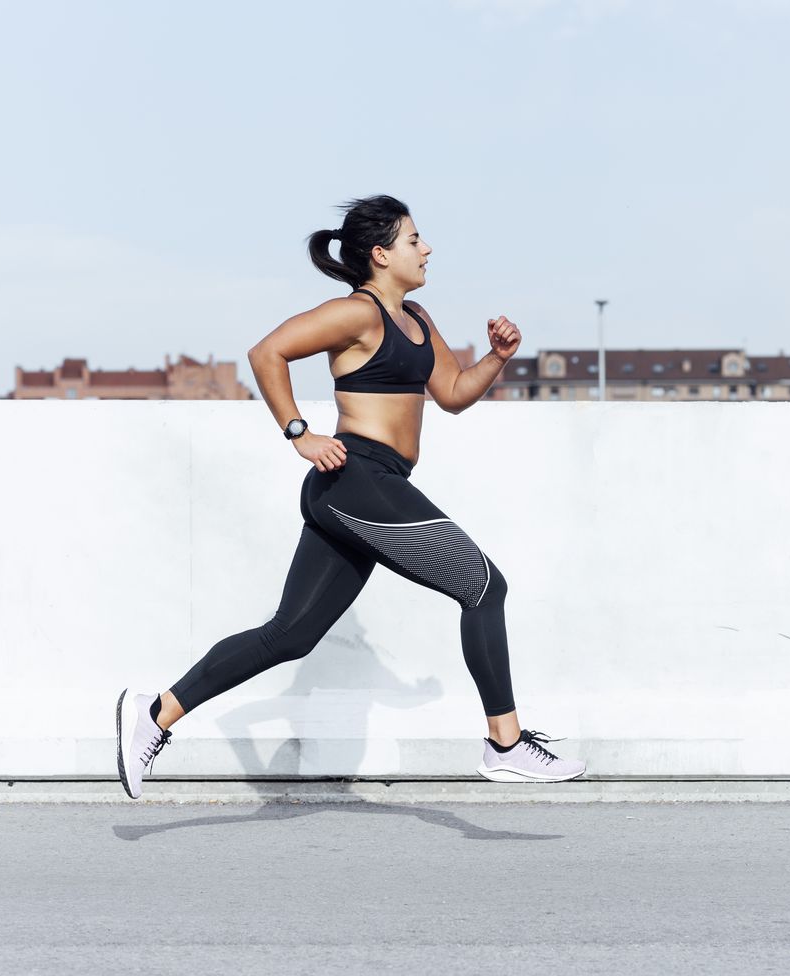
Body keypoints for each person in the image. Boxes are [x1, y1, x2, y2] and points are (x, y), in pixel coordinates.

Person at [116, 194, 586, 798]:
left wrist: (496, 358)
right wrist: (299, 433)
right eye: (415, 239)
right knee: (483, 585)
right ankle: (506, 744)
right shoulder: (357, 314)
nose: (427, 248)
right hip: (355, 477)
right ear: (381, 253)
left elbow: (452, 392)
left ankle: (153, 714)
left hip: (369, 487)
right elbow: (267, 353)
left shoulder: (417, 320)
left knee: (289, 636)